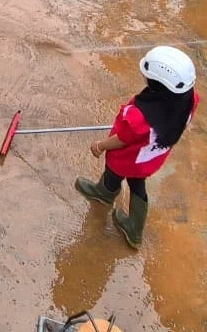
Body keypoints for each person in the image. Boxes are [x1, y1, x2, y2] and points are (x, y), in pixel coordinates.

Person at [74, 46, 199, 249]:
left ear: (156, 85)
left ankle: (104, 193)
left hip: (128, 157)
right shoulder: (188, 101)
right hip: (150, 158)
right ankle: (134, 229)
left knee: (113, 174)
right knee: (137, 185)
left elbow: (123, 139)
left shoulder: (139, 117)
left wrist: (100, 145)